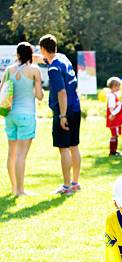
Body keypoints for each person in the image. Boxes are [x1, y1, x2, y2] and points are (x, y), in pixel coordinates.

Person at [38, 34, 82, 196]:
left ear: (43, 49)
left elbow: (61, 92)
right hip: (76, 107)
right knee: (74, 146)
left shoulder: (54, 68)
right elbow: (42, 58)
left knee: (63, 149)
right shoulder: (63, 58)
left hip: (64, 110)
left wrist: (62, 116)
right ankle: (75, 183)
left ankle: (66, 186)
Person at [4, 42, 43, 196]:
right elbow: (39, 96)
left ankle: (14, 188)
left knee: (11, 154)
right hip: (26, 115)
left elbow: (2, 91)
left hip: (10, 115)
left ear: (18, 54)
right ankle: (20, 190)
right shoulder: (34, 70)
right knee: (21, 155)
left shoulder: (8, 70)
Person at [105, 77, 122, 157]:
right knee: (114, 135)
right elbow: (111, 107)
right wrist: (113, 114)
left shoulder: (113, 95)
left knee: (115, 134)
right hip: (113, 118)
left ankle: (114, 151)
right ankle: (112, 152)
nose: (119, 87)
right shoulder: (112, 96)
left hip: (115, 118)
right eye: (118, 86)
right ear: (114, 86)